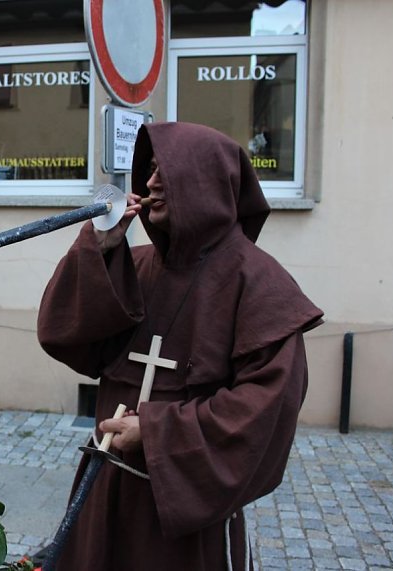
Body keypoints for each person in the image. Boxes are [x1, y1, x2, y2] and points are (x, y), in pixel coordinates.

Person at [37, 122, 324, 570]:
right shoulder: (137, 264)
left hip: (184, 508)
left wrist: (155, 433)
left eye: (164, 170)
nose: (149, 182)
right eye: (148, 169)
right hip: (107, 484)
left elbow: (265, 410)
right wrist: (99, 251)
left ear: (205, 179)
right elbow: (63, 333)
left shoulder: (259, 283)